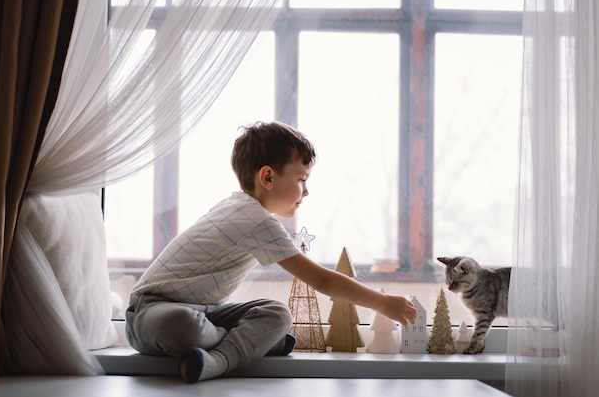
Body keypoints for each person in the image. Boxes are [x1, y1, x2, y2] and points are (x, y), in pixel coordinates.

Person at [125, 121, 417, 383]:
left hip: (205, 313)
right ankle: (227, 356)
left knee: (276, 312)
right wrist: (382, 302)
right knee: (181, 325)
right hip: (150, 313)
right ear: (267, 178)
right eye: (301, 179)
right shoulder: (256, 219)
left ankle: (240, 345)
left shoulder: (238, 205)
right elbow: (324, 282)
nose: (306, 191)